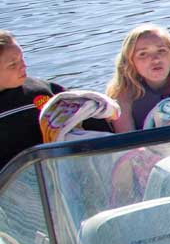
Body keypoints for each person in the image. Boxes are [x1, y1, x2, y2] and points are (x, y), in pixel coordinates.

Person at [0, 32, 110, 169]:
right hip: (12, 178)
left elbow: (87, 115)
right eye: (13, 64)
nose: (23, 66)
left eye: (22, 58)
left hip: (57, 171)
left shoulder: (42, 91)